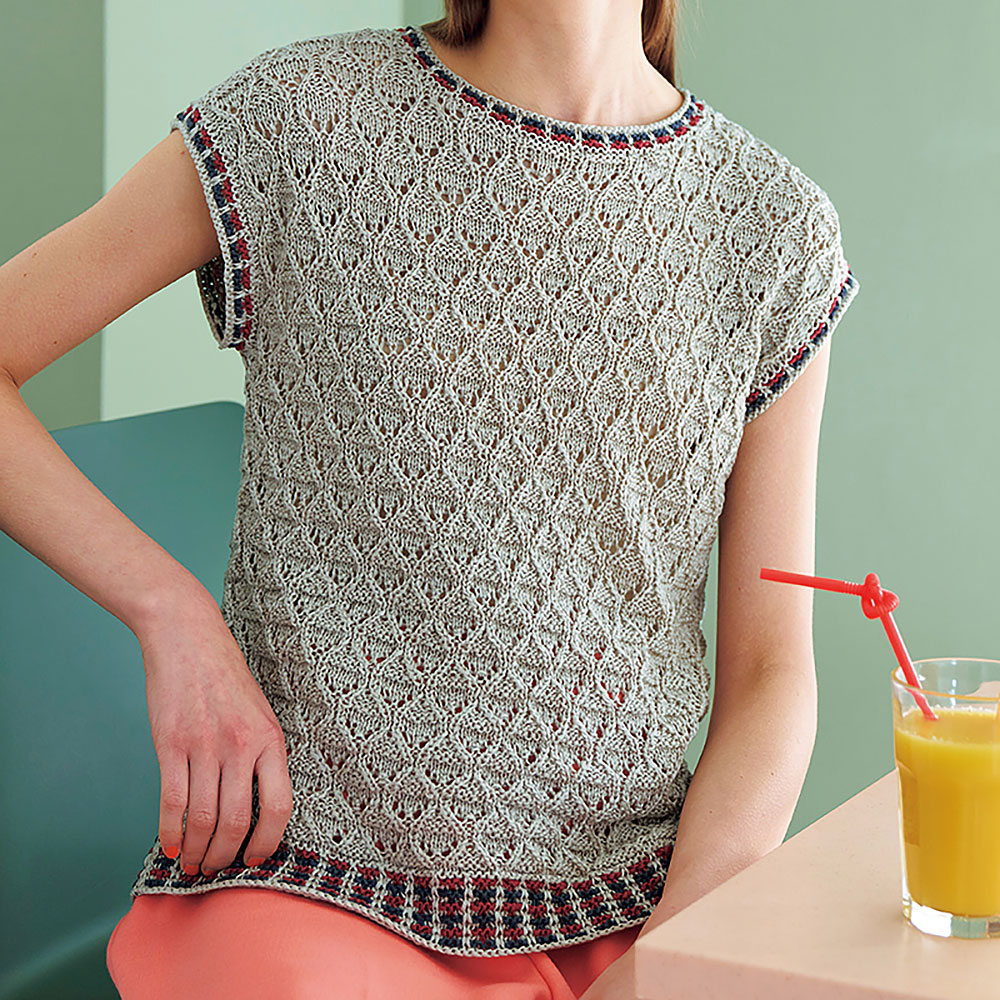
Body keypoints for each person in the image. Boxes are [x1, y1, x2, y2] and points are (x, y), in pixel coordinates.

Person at [0, 0, 859, 997]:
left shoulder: (772, 228)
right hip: (307, 891)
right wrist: (171, 611)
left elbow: (769, 673)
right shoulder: (299, 118)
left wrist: (669, 965)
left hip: (639, 910)